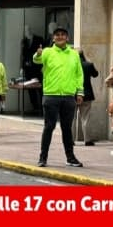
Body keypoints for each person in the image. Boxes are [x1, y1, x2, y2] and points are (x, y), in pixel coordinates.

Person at [33, 26, 84, 168]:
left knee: (67, 128)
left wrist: (80, 92)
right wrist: (37, 54)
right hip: (51, 95)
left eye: (63, 35)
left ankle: (70, 157)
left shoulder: (74, 54)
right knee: (49, 127)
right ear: (53, 38)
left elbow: (79, 75)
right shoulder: (47, 52)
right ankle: (43, 157)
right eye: (57, 35)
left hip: (68, 97)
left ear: (67, 38)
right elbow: (36, 60)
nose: (60, 37)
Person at [75, 49, 99, 146]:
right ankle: (87, 140)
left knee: (72, 118)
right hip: (87, 94)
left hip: (73, 94)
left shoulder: (71, 66)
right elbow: (95, 74)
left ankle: (70, 140)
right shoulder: (88, 65)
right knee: (86, 118)